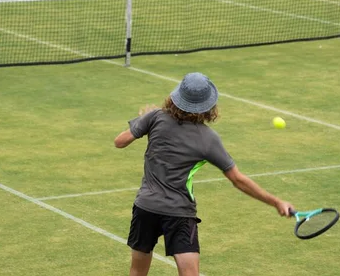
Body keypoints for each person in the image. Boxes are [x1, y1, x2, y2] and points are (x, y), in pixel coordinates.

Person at [114, 72, 295, 276]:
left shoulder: (155, 117)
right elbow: (238, 179)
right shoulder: (209, 139)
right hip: (179, 213)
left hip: (145, 208)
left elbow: (119, 141)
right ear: (209, 106)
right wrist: (276, 202)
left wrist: (143, 121)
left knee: (137, 272)